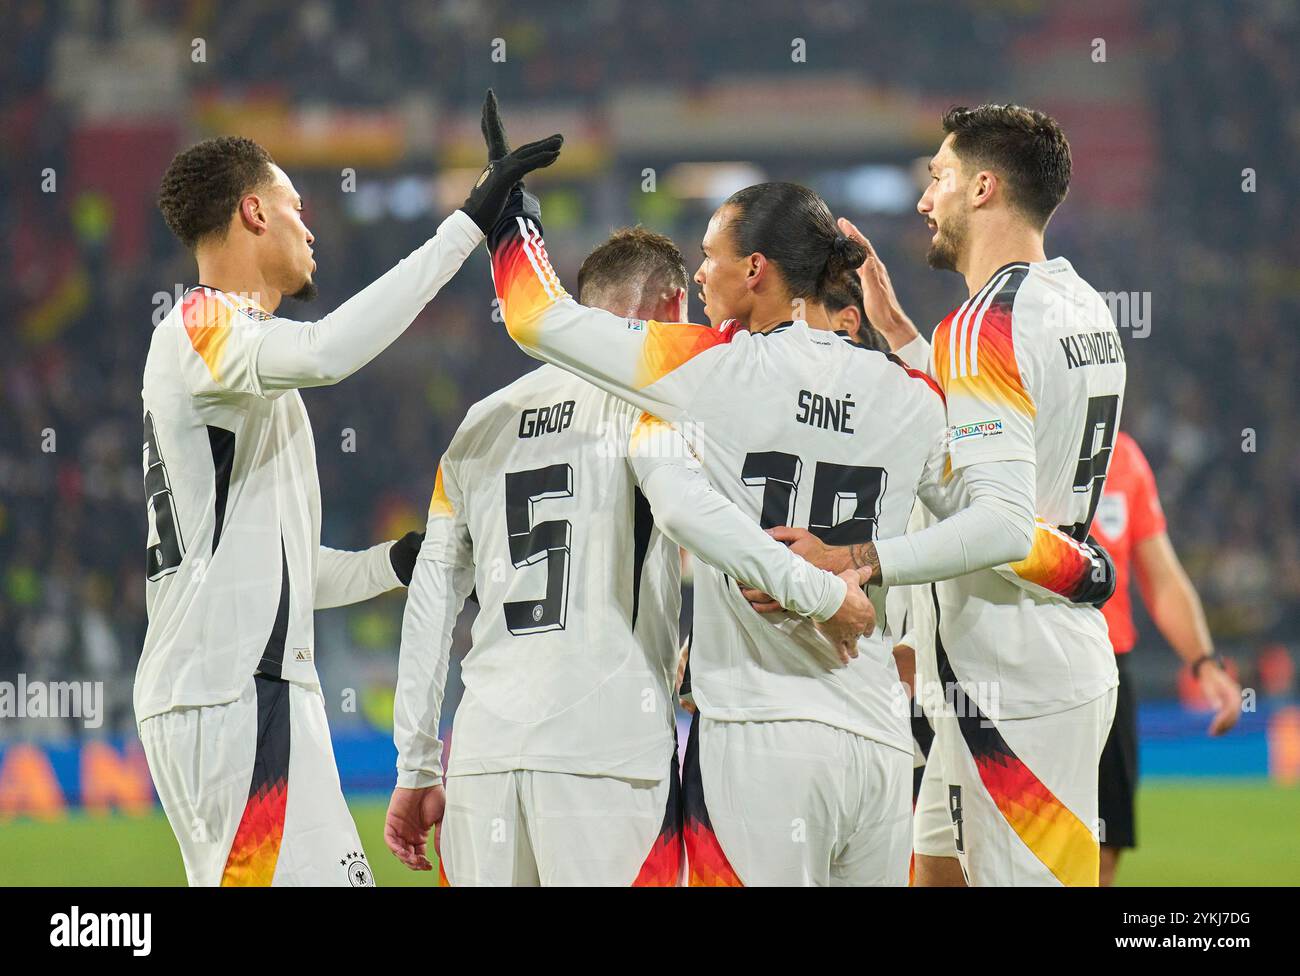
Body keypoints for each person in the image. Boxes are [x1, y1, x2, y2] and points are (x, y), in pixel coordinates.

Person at [135, 97, 561, 886]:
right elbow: (331, 351)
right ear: (254, 212)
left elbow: (292, 575)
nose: (311, 229)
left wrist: (394, 563)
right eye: (298, 209)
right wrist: (468, 223)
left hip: (250, 693)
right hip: (230, 694)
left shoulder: (239, 366)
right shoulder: (199, 324)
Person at [384, 221, 870, 886]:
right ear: (670, 307)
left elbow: (431, 603)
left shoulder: (478, 423)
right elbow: (710, 522)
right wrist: (821, 593)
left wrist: (415, 766)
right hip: (607, 754)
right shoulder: (661, 398)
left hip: (482, 758)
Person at [771, 104, 1126, 886]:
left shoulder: (980, 328)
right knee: (932, 873)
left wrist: (858, 558)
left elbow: (999, 523)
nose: (925, 199)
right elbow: (996, 449)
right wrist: (896, 327)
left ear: (984, 188)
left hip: (1015, 682)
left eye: (939, 177)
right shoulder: (1084, 307)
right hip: (1008, 669)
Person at [1090, 431, 1241, 885]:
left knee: (1104, 846)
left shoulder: (1126, 456)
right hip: (1028, 666)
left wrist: (1205, 663)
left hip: (1109, 668)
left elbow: (1162, 578)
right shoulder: (1019, 436)